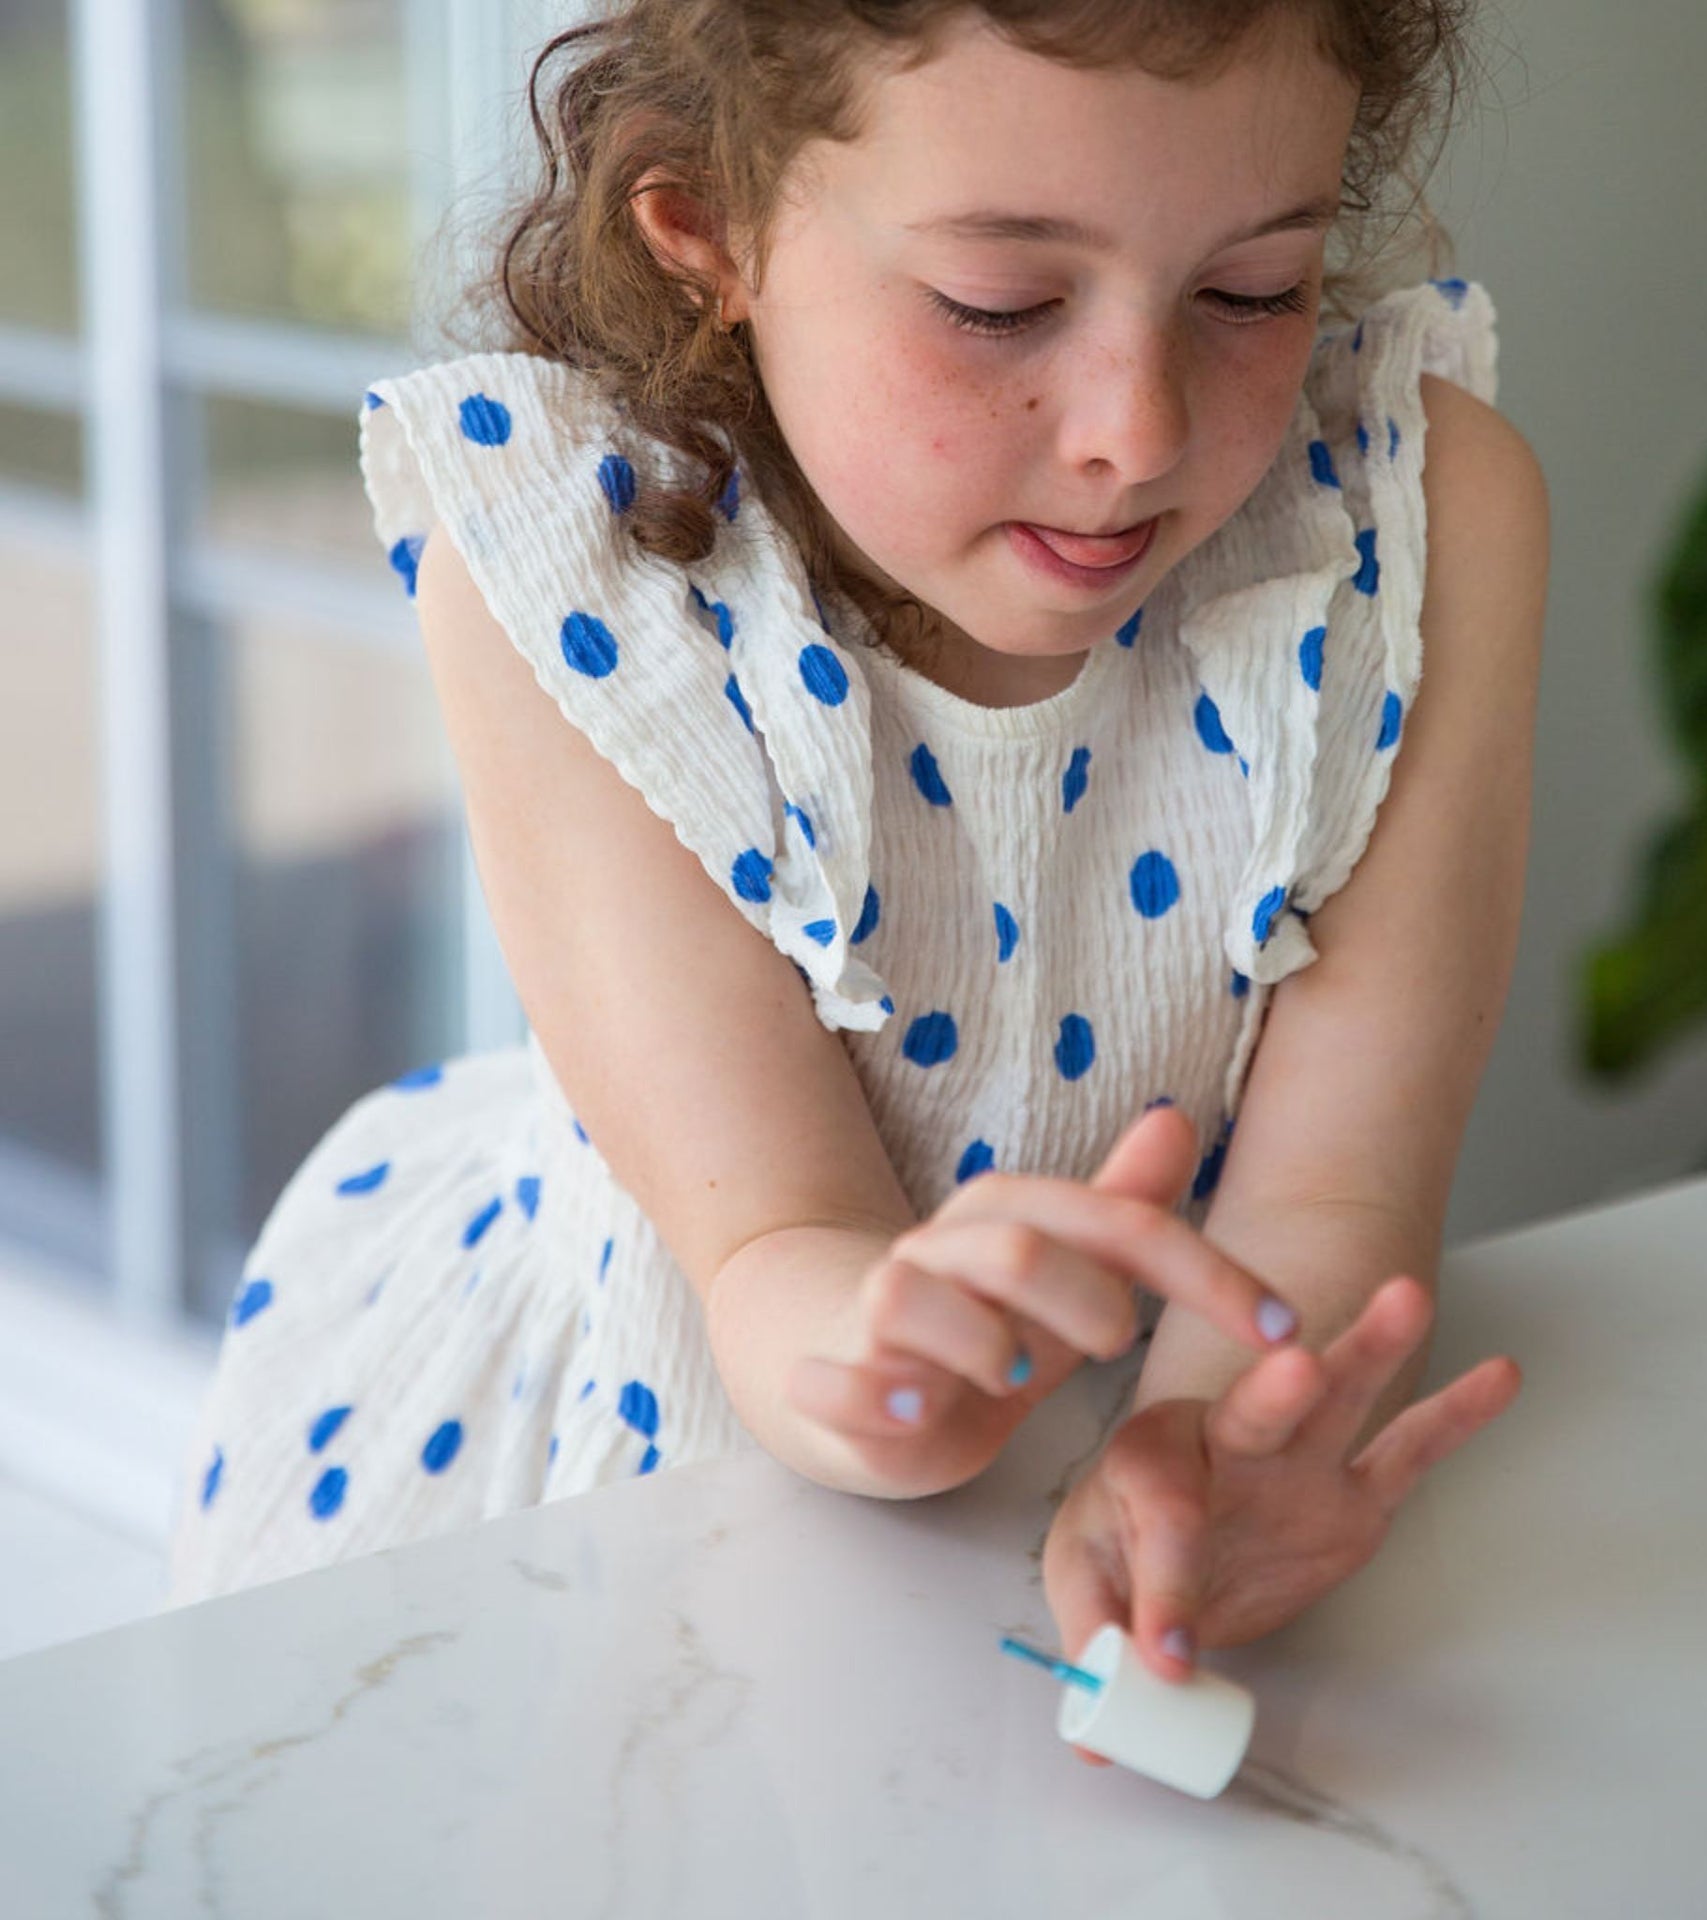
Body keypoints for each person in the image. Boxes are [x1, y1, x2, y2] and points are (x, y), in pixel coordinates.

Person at [165, 0, 1544, 1758]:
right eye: (998, 306)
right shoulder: (573, 568)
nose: (1134, 425)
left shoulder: (1416, 522)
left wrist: (1203, 1445)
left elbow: (1331, 1204)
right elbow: (770, 1250)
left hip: (1104, 1526)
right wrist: (891, 1365)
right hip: (685, 1460)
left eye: (1254, 289)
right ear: (711, 233)